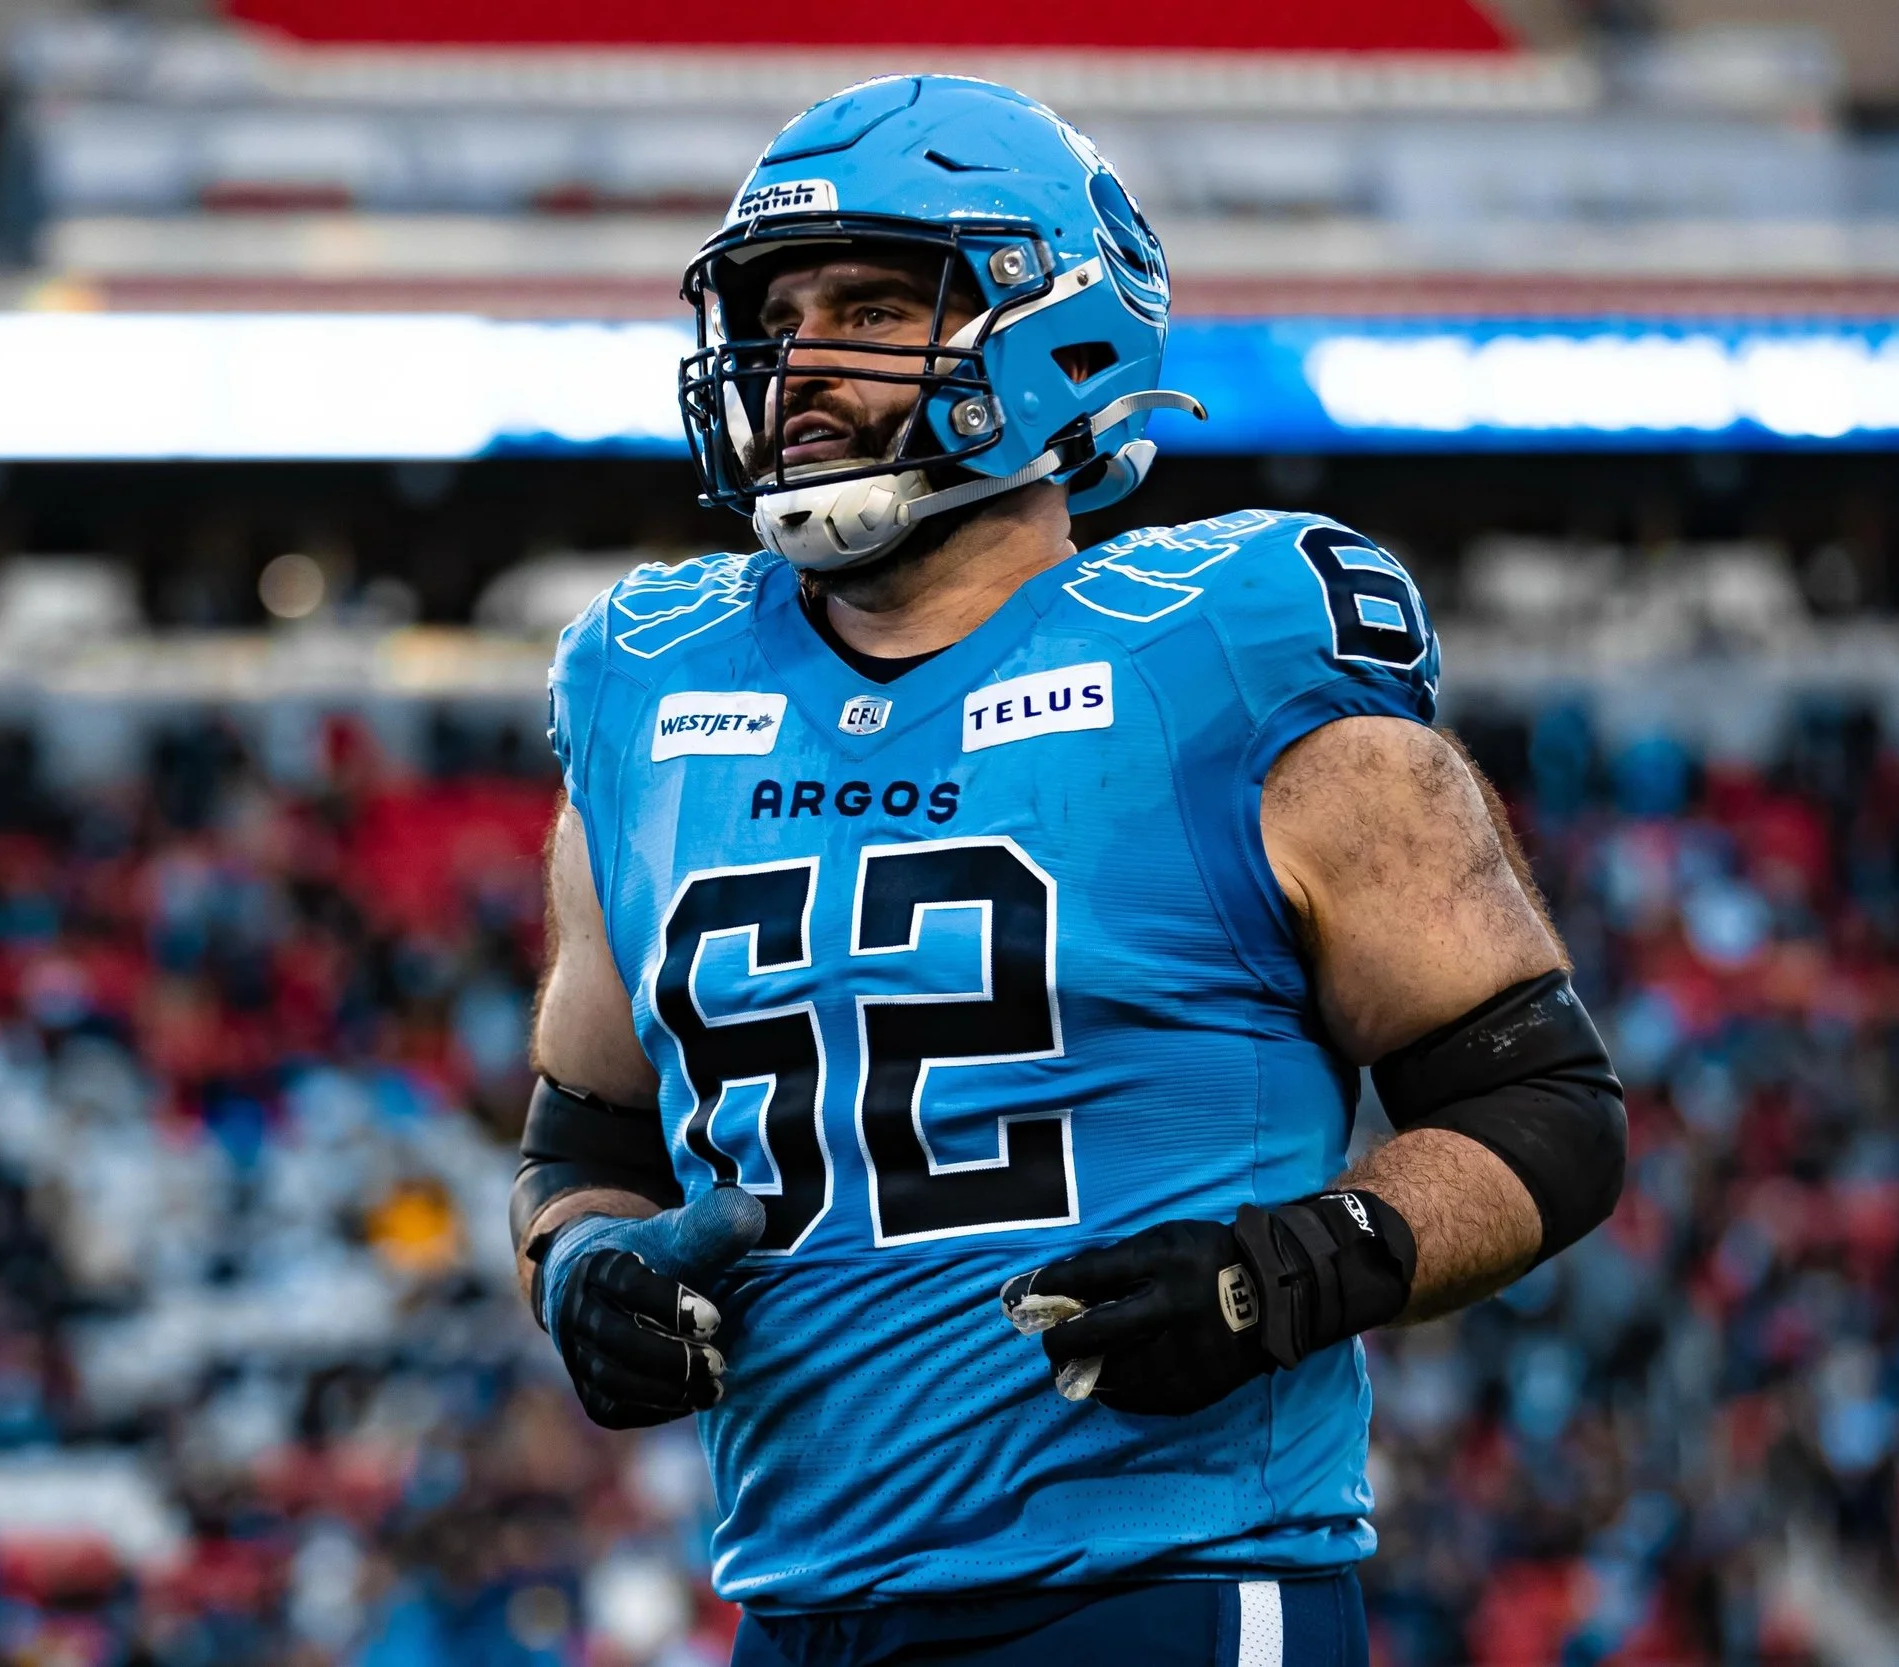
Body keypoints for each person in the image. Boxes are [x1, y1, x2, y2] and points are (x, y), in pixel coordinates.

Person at [510, 75, 1626, 1666]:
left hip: (1167, 1583)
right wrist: (584, 1266)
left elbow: (1545, 1111)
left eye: (871, 307)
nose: (800, 360)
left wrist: (1289, 1269)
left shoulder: (1230, 649)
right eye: (778, 313)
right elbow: (582, 1140)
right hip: (798, 1609)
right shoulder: (645, 683)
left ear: (1056, 334)